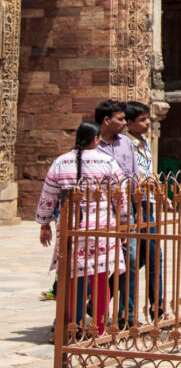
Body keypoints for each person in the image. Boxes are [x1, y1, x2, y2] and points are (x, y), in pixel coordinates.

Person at [36, 121, 127, 335]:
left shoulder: (61, 162)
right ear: (95, 139)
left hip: (71, 229)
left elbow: (48, 195)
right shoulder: (107, 162)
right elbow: (121, 195)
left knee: (72, 278)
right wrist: (124, 223)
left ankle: (71, 325)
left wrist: (44, 224)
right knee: (101, 278)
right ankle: (99, 326)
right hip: (101, 229)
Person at [95, 98, 139, 324]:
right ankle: (95, 311)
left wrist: (137, 207)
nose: (124, 123)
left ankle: (127, 313)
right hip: (99, 212)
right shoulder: (92, 145)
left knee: (130, 260)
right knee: (97, 263)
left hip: (125, 210)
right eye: (120, 119)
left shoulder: (126, 144)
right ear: (106, 120)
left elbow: (134, 177)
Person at [125, 100, 165, 322]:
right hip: (134, 204)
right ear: (129, 123)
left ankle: (157, 308)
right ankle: (129, 312)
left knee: (150, 257)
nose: (148, 123)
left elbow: (148, 172)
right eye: (142, 120)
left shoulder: (144, 143)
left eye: (148, 119)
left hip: (147, 202)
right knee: (135, 258)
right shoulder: (125, 145)